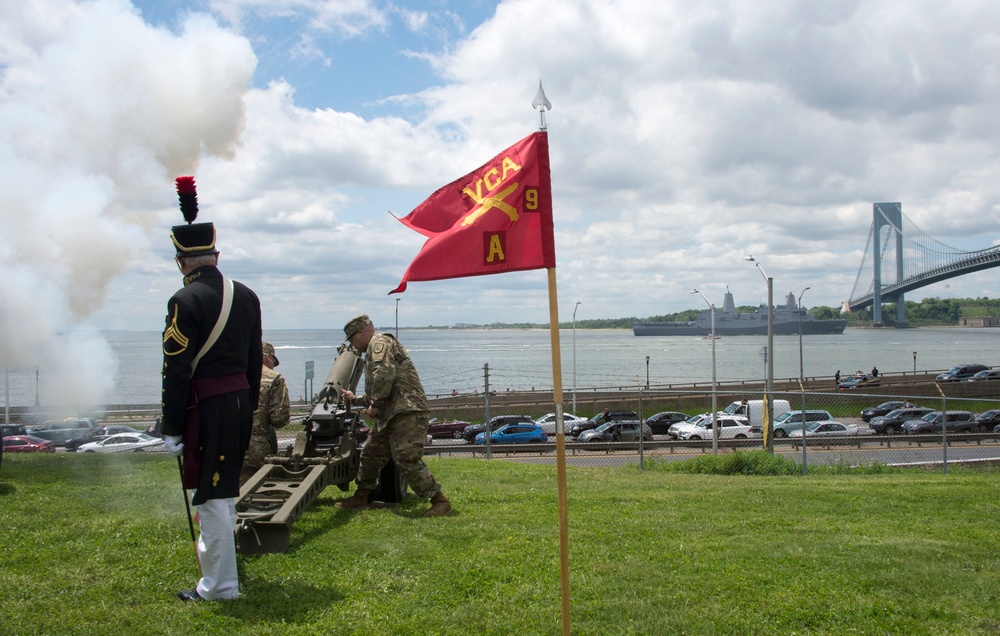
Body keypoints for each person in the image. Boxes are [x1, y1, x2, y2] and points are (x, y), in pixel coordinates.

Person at [160, 176, 262, 602]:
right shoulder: (248, 296)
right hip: (238, 402)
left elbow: (177, 371)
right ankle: (221, 576)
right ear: (215, 255)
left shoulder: (184, 302)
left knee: (213, 498)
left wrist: (171, 427)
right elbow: (255, 361)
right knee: (222, 494)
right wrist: (248, 406)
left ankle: (220, 586)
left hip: (208, 407)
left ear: (183, 261)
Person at [336, 314, 451, 517]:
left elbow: (384, 374)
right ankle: (361, 496)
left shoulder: (378, 343)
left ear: (361, 333)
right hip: (394, 411)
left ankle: (439, 500)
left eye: (352, 338)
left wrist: (376, 405)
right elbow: (383, 384)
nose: (353, 345)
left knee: (406, 458)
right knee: (371, 453)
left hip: (407, 410)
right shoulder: (378, 345)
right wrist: (356, 399)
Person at [240, 342, 291, 484]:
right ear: (268, 357)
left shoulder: (233, 372)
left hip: (225, 443)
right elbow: (279, 418)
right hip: (254, 448)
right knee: (254, 493)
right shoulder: (273, 378)